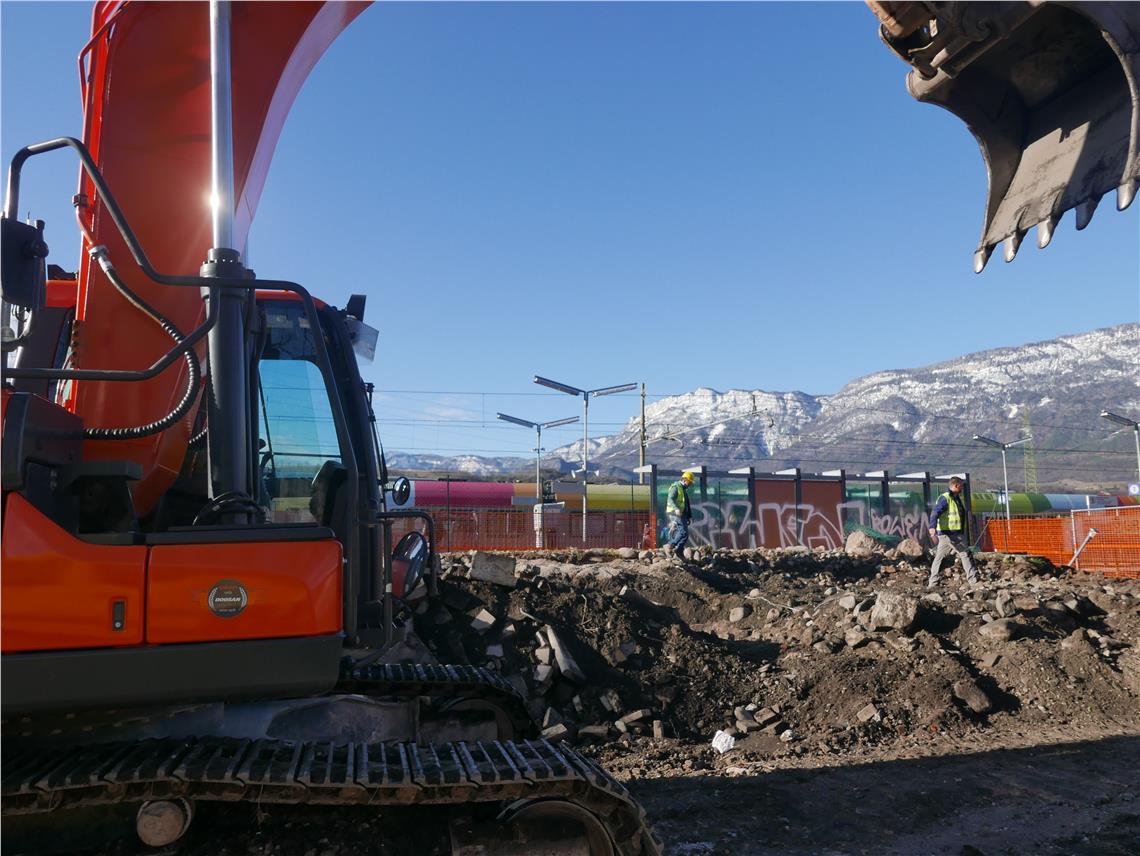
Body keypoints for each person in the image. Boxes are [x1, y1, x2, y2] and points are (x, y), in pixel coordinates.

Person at [927, 476, 979, 587]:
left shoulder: (956, 498)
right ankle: (973, 580)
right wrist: (932, 526)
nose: (962, 488)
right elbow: (935, 513)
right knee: (965, 554)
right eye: (961, 486)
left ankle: (933, 582)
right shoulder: (945, 498)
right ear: (956, 485)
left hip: (948, 535)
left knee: (939, 557)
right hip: (951, 534)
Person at [666, 471, 695, 554]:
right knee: (683, 532)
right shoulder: (676, 487)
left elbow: (686, 504)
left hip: (682, 514)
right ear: (684, 480)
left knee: (685, 535)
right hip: (675, 513)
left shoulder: (683, 490)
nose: (690, 484)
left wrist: (689, 516)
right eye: (689, 482)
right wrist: (676, 509)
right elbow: (670, 499)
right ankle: (670, 545)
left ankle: (678, 551)